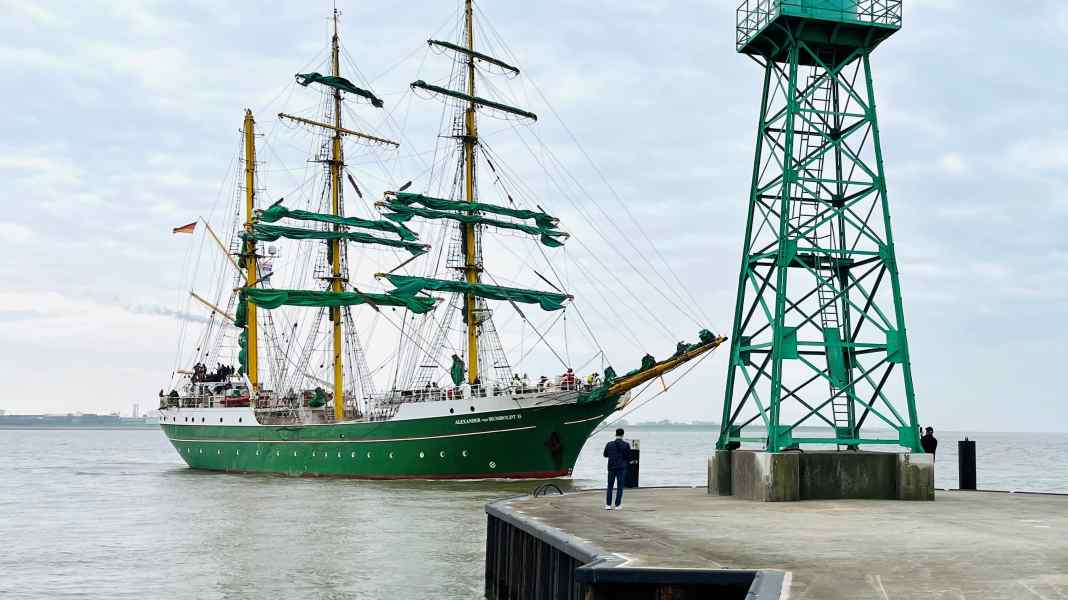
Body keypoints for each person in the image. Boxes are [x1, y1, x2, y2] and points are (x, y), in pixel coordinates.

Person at [603, 428, 631, 510]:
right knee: (620, 487)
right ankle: (617, 505)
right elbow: (628, 457)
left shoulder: (609, 444)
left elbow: (605, 455)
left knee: (610, 486)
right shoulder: (626, 445)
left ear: (615, 434)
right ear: (623, 435)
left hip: (611, 467)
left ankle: (608, 505)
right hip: (621, 468)